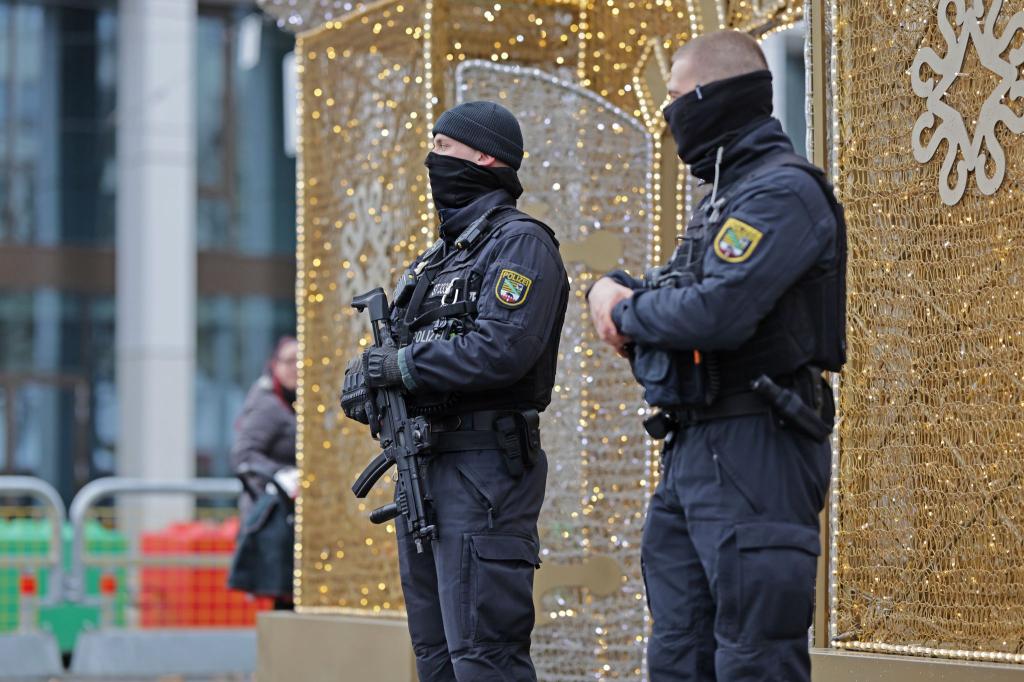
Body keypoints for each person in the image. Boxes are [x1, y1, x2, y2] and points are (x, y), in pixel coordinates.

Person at [588, 30, 847, 682]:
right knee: (678, 655)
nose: (670, 119)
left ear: (712, 97)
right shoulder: (722, 202)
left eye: (675, 100)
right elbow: (673, 294)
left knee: (755, 658)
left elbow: (716, 313)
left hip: (757, 444)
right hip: (694, 445)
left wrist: (620, 309)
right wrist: (611, 289)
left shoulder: (782, 194)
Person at [341, 101, 569, 681]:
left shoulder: (521, 244)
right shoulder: (436, 260)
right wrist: (368, 383)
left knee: (484, 657)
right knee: (436, 658)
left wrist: (402, 368)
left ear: (485, 155)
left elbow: (502, 348)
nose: (431, 159)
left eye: (443, 147)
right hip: (426, 465)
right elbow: (399, 350)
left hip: (484, 470)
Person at [229, 336, 300, 610]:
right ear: (274, 365)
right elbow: (242, 455)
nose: (295, 367)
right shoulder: (268, 405)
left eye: (301, 361)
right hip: (276, 515)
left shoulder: (292, 401)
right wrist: (286, 475)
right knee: (284, 594)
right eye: (289, 361)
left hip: (289, 516)